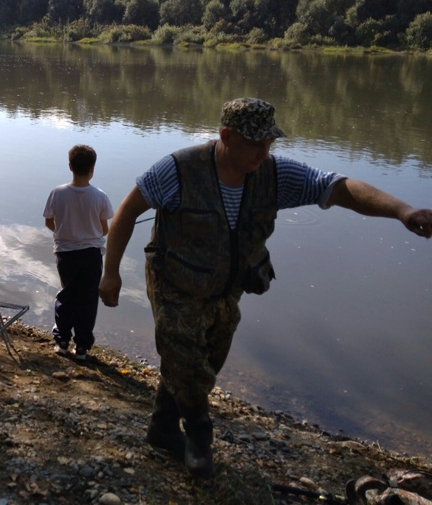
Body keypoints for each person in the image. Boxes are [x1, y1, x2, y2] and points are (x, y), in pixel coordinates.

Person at [98, 98, 432, 479]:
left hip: (227, 289)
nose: (264, 152)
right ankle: (199, 437)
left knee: (203, 360)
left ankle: (161, 428)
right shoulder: (179, 169)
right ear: (226, 136)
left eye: (269, 143)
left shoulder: (274, 174)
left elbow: (338, 188)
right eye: (256, 143)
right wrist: (111, 273)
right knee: (186, 361)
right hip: (174, 283)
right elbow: (127, 212)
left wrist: (401, 210)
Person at [43, 145, 114, 361]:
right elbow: (104, 229)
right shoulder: (100, 196)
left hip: (65, 253)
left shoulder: (57, 193)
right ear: (92, 169)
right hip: (91, 254)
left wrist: (67, 232)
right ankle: (82, 346)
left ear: (70, 166)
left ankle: (62, 341)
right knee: (88, 299)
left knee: (67, 294)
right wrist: (87, 233)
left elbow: (49, 222)